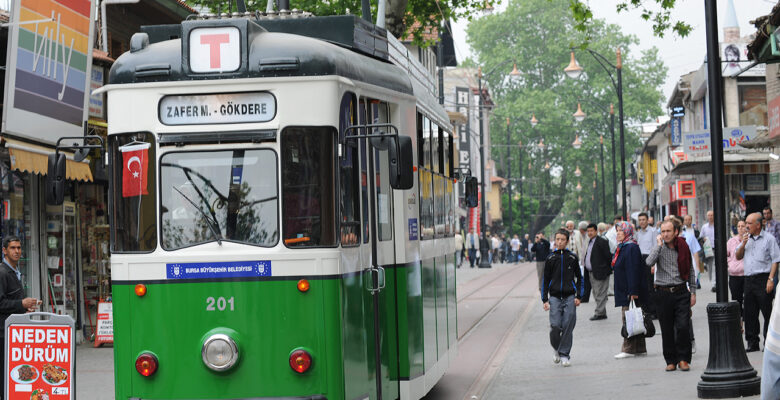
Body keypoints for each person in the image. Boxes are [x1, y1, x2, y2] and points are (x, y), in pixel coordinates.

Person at [645, 220, 696, 372]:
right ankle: (671, 360)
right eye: (663, 231)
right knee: (666, 329)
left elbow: (691, 270)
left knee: (683, 326)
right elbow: (649, 262)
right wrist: (659, 246)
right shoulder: (659, 248)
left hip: (681, 291)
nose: (665, 234)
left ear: (676, 232)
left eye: (668, 231)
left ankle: (683, 359)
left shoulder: (683, 246)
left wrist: (693, 292)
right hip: (663, 293)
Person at [0, 236, 40, 395]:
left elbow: (12, 302)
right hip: (3, 334)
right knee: (4, 378)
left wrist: (25, 309)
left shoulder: (14, 272)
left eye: (18, 248)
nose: (17, 251)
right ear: (4, 251)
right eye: (12, 248)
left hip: (13, 334)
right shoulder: (3, 273)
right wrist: (21, 304)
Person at [736, 212, 780, 352]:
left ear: (758, 225)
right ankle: (752, 341)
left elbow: (775, 260)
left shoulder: (769, 239)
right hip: (749, 279)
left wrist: (770, 279)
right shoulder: (745, 239)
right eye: (746, 223)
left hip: (763, 278)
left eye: (749, 223)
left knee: (767, 311)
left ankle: (768, 340)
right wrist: (743, 244)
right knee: (750, 312)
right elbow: (738, 256)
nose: (746, 226)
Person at [542, 229, 582, 367]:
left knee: (567, 326)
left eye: (562, 240)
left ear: (567, 241)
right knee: (555, 325)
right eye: (557, 239)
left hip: (570, 296)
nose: (559, 242)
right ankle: (556, 348)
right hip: (554, 297)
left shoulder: (572, 257)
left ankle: (564, 354)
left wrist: (579, 296)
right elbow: (545, 280)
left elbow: (580, 278)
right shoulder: (550, 258)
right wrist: (544, 299)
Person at [612, 222, 649, 359]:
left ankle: (628, 348)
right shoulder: (623, 247)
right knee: (636, 317)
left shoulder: (631, 247)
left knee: (629, 318)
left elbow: (633, 270)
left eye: (621, 230)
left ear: (627, 232)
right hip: (625, 289)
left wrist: (633, 291)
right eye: (617, 231)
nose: (618, 233)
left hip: (630, 291)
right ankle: (639, 348)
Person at [584, 223, 612, 320]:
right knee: (596, 293)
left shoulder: (602, 241)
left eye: (591, 231)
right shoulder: (590, 241)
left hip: (601, 272)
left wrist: (603, 268)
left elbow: (608, 256)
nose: (590, 233)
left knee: (600, 293)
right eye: (588, 231)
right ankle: (602, 312)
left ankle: (599, 313)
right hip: (591, 272)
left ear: (596, 231)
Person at [636, 212, 657, 318]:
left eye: (643, 219)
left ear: (648, 220)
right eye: (640, 220)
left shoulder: (653, 231)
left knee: (650, 286)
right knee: (642, 286)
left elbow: (655, 247)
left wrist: (654, 264)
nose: (642, 222)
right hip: (640, 260)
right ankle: (646, 310)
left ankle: (654, 311)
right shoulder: (638, 233)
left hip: (650, 258)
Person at [726, 219, 746, 317]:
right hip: (734, 274)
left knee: (747, 300)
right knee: (736, 299)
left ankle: (746, 319)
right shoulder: (731, 241)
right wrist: (730, 263)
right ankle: (739, 320)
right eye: (739, 226)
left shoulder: (749, 240)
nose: (740, 228)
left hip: (746, 274)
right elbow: (726, 254)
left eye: (743, 226)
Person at [699, 210, 717, 292]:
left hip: (717, 248)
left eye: (712, 215)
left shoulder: (717, 225)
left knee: (716, 265)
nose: (710, 217)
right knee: (711, 266)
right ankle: (713, 283)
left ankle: (715, 282)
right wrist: (703, 239)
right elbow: (700, 237)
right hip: (708, 249)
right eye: (709, 215)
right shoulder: (704, 227)